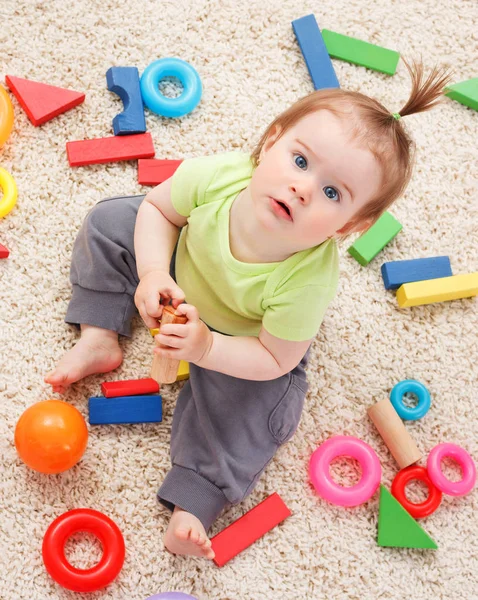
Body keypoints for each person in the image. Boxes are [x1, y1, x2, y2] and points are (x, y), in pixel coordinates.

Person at [45, 58, 452, 560]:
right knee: (111, 221)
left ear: (352, 225)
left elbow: (274, 357)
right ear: (269, 144)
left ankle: (195, 499)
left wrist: (208, 347)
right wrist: (153, 273)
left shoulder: (308, 278)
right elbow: (159, 209)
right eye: (300, 162)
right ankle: (100, 334)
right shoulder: (223, 175)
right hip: (180, 267)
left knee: (262, 407)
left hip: (246, 339)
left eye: (332, 193)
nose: (302, 188)